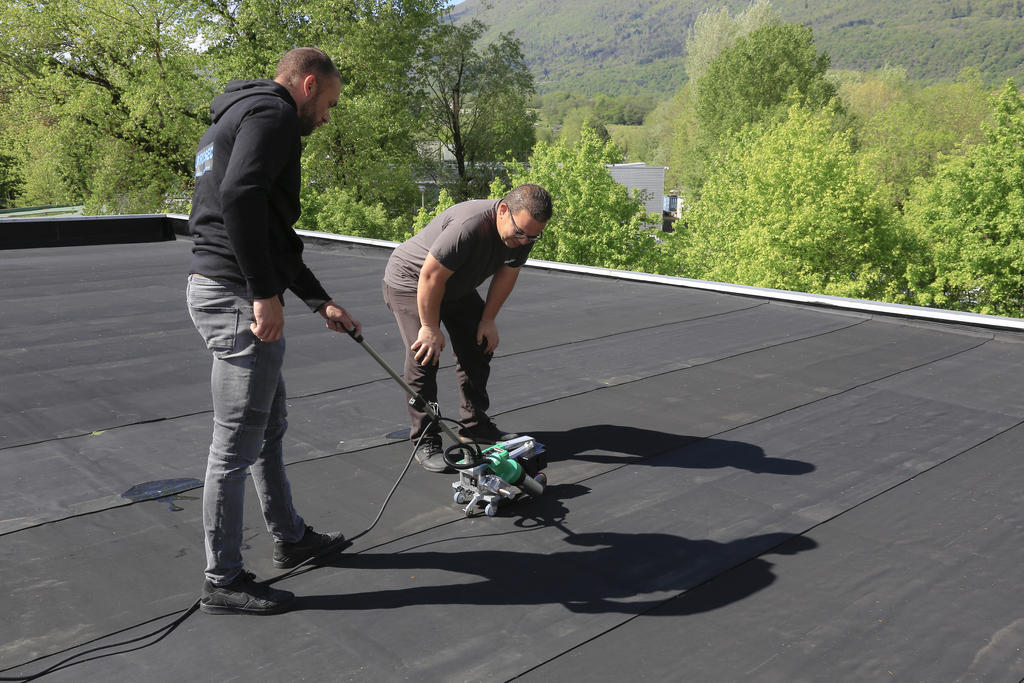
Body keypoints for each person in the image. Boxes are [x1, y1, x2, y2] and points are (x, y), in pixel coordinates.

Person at [186, 47, 361, 615]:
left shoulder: (234, 117)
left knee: (268, 428)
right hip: (237, 296)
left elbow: (269, 227)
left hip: (227, 288)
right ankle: (224, 579)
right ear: (308, 85)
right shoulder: (275, 114)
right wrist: (264, 294)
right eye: (329, 103)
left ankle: (290, 537)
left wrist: (318, 301)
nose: (328, 117)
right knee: (235, 445)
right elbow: (239, 198)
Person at [382, 184, 553, 472]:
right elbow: (430, 277)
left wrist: (488, 319)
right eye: (521, 233)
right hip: (411, 283)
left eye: (533, 236)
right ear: (502, 211)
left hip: (454, 288)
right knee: (424, 354)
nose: (525, 241)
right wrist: (428, 327)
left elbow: (507, 275)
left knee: (479, 343)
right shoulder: (469, 226)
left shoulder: (524, 231)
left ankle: (473, 424)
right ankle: (425, 438)